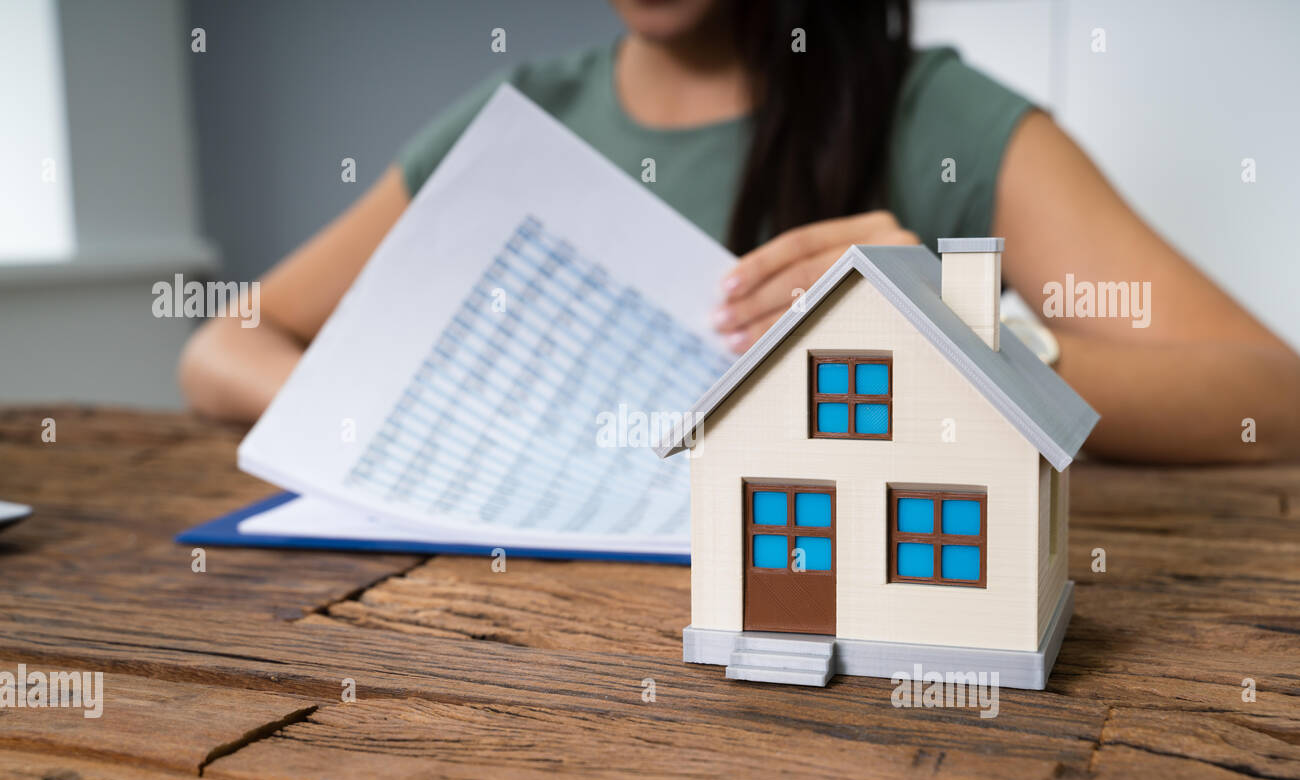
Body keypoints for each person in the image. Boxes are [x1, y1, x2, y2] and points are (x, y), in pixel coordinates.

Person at [178, 0, 1300, 463]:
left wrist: (963, 341)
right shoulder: (516, 121)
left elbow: (1270, 392)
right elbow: (223, 342)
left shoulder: (932, 115)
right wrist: (419, 421)